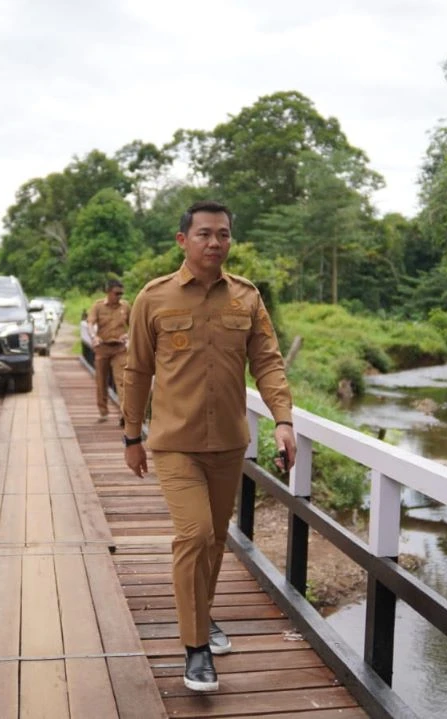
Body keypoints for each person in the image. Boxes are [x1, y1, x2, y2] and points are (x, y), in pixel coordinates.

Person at [121, 200, 296, 693]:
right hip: (175, 442)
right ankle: (196, 649)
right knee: (194, 535)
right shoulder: (153, 299)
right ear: (183, 240)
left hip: (228, 444)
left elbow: (268, 362)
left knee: (216, 540)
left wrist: (283, 420)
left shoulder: (246, 297)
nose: (214, 242)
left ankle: (204, 615)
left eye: (223, 234)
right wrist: (131, 435)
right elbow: (136, 371)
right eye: (204, 234)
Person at [87, 279, 131, 423]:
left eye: (121, 294)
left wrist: (128, 335)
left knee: (122, 380)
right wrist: (94, 337)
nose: (119, 296)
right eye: (116, 293)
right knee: (101, 381)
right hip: (103, 348)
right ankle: (103, 411)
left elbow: (134, 325)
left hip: (119, 348)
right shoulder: (98, 306)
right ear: (108, 292)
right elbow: (90, 323)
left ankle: (124, 414)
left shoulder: (125, 306)